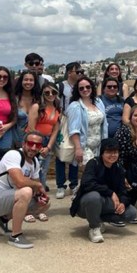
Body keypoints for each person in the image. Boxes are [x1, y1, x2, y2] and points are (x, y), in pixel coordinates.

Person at [0, 132, 50, 249]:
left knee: (44, 203)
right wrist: (37, 184)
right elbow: (20, 182)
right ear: (24, 144)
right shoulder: (14, 154)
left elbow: (36, 188)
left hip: (7, 198)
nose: (33, 148)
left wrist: (40, 195)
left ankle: (3, 218)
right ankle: (15, 236)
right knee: (26, 191)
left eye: (37, 145)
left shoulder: (35, 162)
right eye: (30, 143)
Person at [71, 138, 137, 243]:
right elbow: (87, 184)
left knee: (132, 213)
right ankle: (94, 228)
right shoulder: (93, 163)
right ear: (102, 153)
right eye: (109, 152)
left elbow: (123, 191)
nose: (113, 155)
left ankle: (98, 220)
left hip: (106, 202)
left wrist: (123, 203)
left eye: (115, 152)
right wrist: (110, 192)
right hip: (86, 203)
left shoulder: (119, 168)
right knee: (94, 197)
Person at [27, 82, 61, 205]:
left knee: (43, 172)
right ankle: (30, 201)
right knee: (31, 172)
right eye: (47, 92)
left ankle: (39, 202)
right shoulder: (36, 107)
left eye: (53, 92)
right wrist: (38, 145)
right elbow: (31, 127)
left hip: (47, 142)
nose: (50, 95)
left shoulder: (57, 108)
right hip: (34, 141)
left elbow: (55, 130)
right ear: (42, 93)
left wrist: (49, 147)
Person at [67, 76, 109, 173]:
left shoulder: (98, 102)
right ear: (77, 91)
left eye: (88, 87)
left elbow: (104, 123)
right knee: (90, 172)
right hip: (84, 146)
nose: (85, 90)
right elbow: (74, 130)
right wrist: (78, 148)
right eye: (81, 88)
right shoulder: (75, 106)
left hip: (99, 146)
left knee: (97, 174)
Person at [54, 62, 82, 199]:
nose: (80, 74)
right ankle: (60, 185)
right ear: (69, 72)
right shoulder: (61, 86)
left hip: (77, 122)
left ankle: (73, 183)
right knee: (61, 153)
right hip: (64, 122)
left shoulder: (81, 87)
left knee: (75, 154)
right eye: (78, 72)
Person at [13, 71, 40, 147]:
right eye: (26, 79)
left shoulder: (39, 99)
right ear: (21, 81)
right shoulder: (14, 99)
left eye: (31, 80)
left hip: (33, 142)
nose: (28, 82)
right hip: (15, 140)